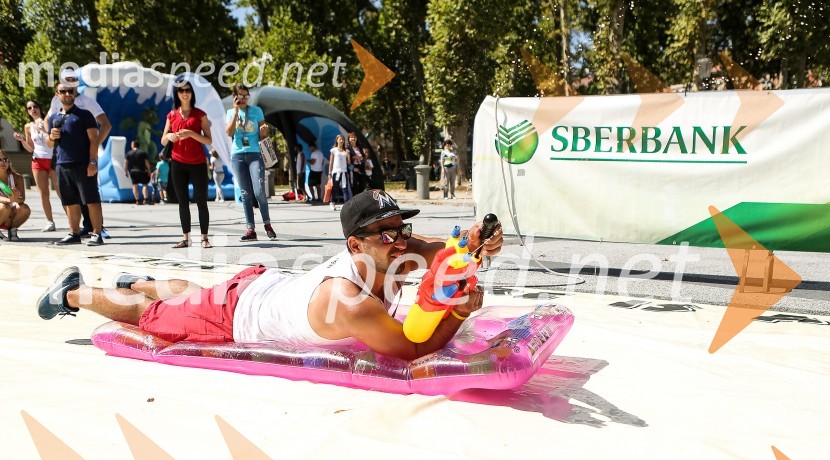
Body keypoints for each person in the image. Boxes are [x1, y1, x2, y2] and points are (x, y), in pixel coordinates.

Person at [36, 189, 503, 361]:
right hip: (236, 315)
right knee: (152, 315)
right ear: (355, 245)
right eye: (386, 233)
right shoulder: (348, 300)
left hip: (263, 284)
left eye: (402, 228)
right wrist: (459, 311)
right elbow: (412, 350)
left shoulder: (392, 251)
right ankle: (75, 293)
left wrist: (477, 241)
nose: (400, 241)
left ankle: (139, 279)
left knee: (196, 294)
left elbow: (439, 249)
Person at [47, 68, 112, 238]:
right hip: (63, 159)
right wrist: (48, 135)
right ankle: (77, 231)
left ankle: (98, 230)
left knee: (90, 197)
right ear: (58, 91)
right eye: (65, 82)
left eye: (73, 80)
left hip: (84, 157)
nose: (69, 87)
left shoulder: (87, 103)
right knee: (70, 199)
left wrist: (95, 148)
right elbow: (49, 125)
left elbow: (105, 125)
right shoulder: (56, 104)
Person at [161, 77, 213, 249]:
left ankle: (204, 238)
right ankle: (186, 238)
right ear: (177, 93)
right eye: (182, 90)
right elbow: (163, 140)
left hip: (198, 163)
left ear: (192, 93)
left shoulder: (200, 114)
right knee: (182, 201)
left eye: (188, 90)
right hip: (177, 163)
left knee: (201, 201)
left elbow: (208, 140)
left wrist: (191, 133)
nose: (185, 93)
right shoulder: (171, 115)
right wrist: (169, 136)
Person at [225, 83, 275, 241]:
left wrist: (263, 131)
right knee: (245, 194)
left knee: (259, 191)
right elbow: (229, 132)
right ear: (235, 97)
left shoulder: (256, 111)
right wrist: (236, 112)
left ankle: (267, 224)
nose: (244, 99)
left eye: (246, 96)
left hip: (254, 154)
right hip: (238, 156)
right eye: (240, 96)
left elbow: (263, 134)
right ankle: (250, 229)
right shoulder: (230, 112)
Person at [13, 100, 59, 231]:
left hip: (53, 159)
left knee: (62, 191)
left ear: (40, 108)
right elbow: (30, 148)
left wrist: (44, 128)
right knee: (43, 193)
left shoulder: (49, 120)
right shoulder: (28, 127)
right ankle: (50, 222)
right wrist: (21, 140)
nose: (33, 109)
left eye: (35, 106)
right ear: (27, 112)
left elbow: (55, 139)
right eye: (29, 108)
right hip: (38, 160)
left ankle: (72, 220)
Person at [0, 150, 31, 240]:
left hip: (9, 212)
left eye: (5, 159)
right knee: (4, 207)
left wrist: (15, 199)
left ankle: (12, 231)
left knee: (24, 208)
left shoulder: (17, 177)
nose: (3, 162)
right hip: (3, 209)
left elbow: (22, 198)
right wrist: (9, 200)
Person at [125, 140, 152, 205]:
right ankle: (146, 199)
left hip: (133, 171)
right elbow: (146, 162)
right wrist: (149, 170)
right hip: (142, 171)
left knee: (135, 185)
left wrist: (125, 171)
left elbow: (125, 163)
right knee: (145, 185)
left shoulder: (129, 153)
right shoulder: (142, 153)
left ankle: (137, 200)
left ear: (133, 145)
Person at [329, 134, 351, 210]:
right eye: (340, 139)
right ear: (337, 140)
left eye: (342, 139)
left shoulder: (346, 150)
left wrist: (348, 155)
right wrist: (330, 172)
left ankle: (346, 205)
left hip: (344, 172)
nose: (341, 141)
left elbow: (348, 163)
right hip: (336, 172)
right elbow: (331, 162)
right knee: (335, 188)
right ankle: (332, 202)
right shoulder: (334, 150)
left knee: (345, 188)